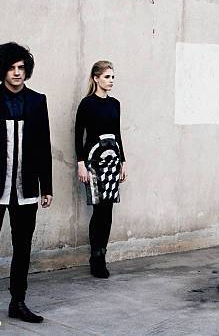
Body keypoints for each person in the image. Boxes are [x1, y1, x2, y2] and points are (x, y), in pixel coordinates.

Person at [0, 42, 53, 323]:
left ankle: (18, 302)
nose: (17, 73)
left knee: (23, 247)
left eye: (21, 67)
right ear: (2, 70)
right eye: (12, 67)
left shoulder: (38, 101)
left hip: (26, 188)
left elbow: (43, 146)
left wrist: (46, 187)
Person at [75, 61, 127, 278]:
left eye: (113, 77)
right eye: (107, 77)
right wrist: (81, 164)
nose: (111, 81)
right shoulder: (86, 104)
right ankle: (96, 258)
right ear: (96, 78)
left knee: (108, 212)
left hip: (113, 160)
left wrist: (123, 161)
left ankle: (103, 254)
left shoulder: (115, 104)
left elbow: (117, 133)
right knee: (99, 210)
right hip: (94, 161)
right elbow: (78, 135)